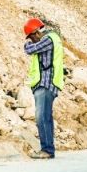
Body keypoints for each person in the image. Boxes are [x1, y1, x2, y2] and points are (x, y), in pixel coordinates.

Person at [23, 18, 64, 159]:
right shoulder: (53, 38)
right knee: (46, 117)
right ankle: (48, 149)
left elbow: (29, 49)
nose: (32, 40)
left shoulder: (48, 40)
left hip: (45, 83)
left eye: (31, 37)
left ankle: (47, 150)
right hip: (47, 83)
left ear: (36, 33)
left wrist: (27, 44)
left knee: (41, 117)